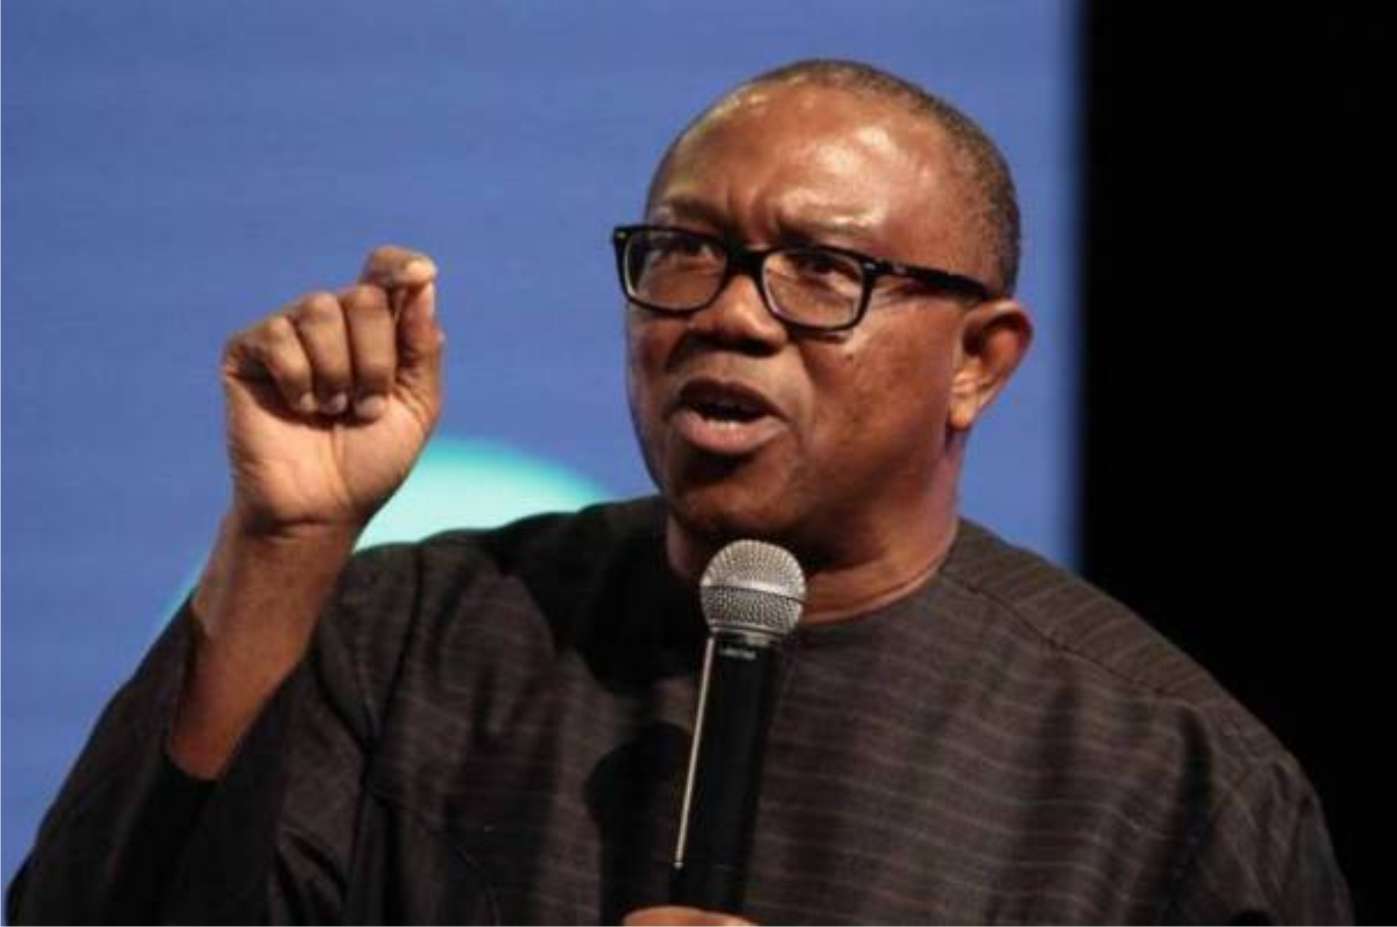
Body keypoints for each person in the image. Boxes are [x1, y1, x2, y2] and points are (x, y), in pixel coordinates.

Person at [7, 59, 1350, 924]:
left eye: (823, 271)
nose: (729, 316)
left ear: (978, 362)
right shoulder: (411, 638)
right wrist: (282, 539)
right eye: (683, 252)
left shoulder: (1166, 778)